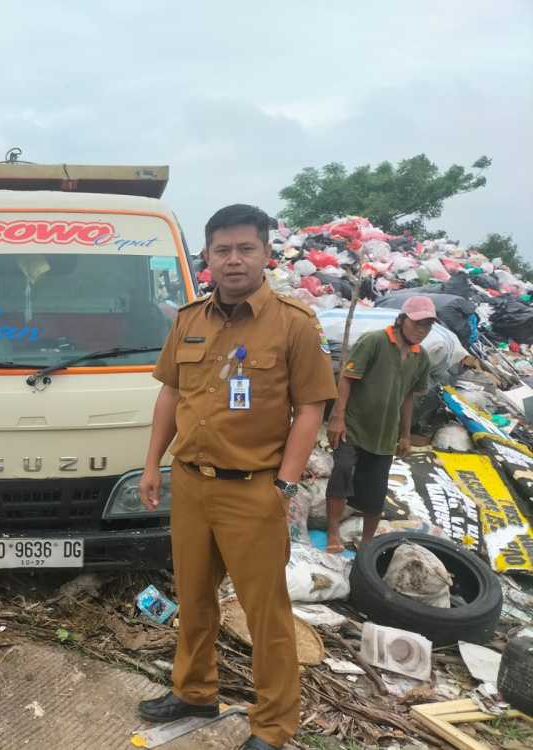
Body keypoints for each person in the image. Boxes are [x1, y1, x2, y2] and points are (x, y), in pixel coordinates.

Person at [138, 204, 337, 750]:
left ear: (266, 254)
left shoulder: (293, 324)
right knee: (194, 597)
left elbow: (312, 410)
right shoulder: (189, 320)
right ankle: (194, 690)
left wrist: (286, 485)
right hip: (191, 484)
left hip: (254, 489)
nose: (233, 260)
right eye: (222, 250)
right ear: (207, 257)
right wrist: (154, 464)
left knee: (265, 614)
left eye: (245, 249)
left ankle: (273, 727)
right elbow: (170, 395)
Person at [324, 296, 435, 553]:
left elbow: (408, 398)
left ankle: (367, 544)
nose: (422, 330)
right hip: (353, 427)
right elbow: (347, 379)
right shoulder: (375, 341)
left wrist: (405, 435)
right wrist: (337, 418)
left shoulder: (421, 357)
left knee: (376, 492)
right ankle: (332, 535)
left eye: (427, 326)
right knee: (341, 473)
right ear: (402, 320)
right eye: (417, 323)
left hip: (385, 434)